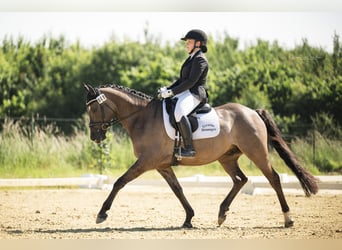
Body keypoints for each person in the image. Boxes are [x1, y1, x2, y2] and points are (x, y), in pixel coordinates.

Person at [159, 29, 209, 158]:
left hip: (195, 94)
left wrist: (172, 92)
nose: (186, 44)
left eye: (189, 42)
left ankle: (189, 148)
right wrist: (167, 89)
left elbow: (191, 82)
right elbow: (182, 80)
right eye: (186, 42)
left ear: (198, 44)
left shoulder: (200, 60)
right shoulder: (190, 59)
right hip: (186, 92)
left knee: (179, 112)